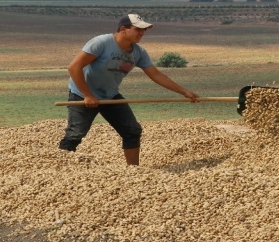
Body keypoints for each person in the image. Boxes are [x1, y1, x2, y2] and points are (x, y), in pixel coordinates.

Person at [58, 14, 199, 165]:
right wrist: (87, 95)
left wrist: (184, 92)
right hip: (82, 93)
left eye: (144, 30)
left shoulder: (139, 52)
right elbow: (74, 67)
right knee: (75, 135)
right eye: (138, 29)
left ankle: (133, 171)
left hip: (110, 96)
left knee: (132, 131)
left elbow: (156, 75)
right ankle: (58, 167)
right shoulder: (101, 43)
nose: (142, 33)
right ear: (123, 29)